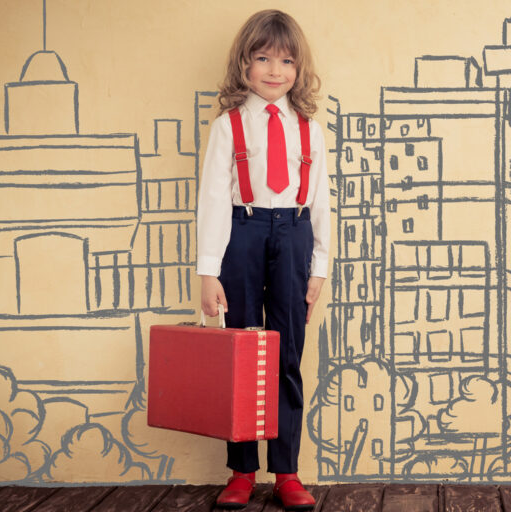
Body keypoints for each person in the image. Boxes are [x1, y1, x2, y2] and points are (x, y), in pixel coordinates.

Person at [196, 9, 328, 511]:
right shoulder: (229, 126)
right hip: (243, 232)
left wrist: (319, 269)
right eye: (264, 58)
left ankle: (287, 471)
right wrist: (209, 270)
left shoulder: (310, 130)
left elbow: (321, 203)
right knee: (243, 355)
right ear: (245, 65)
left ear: (299, 68)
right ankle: (242, 471)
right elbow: (212, 198)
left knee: (287, 354)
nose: (276, 70)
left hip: (293, 234)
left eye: (287, 60)